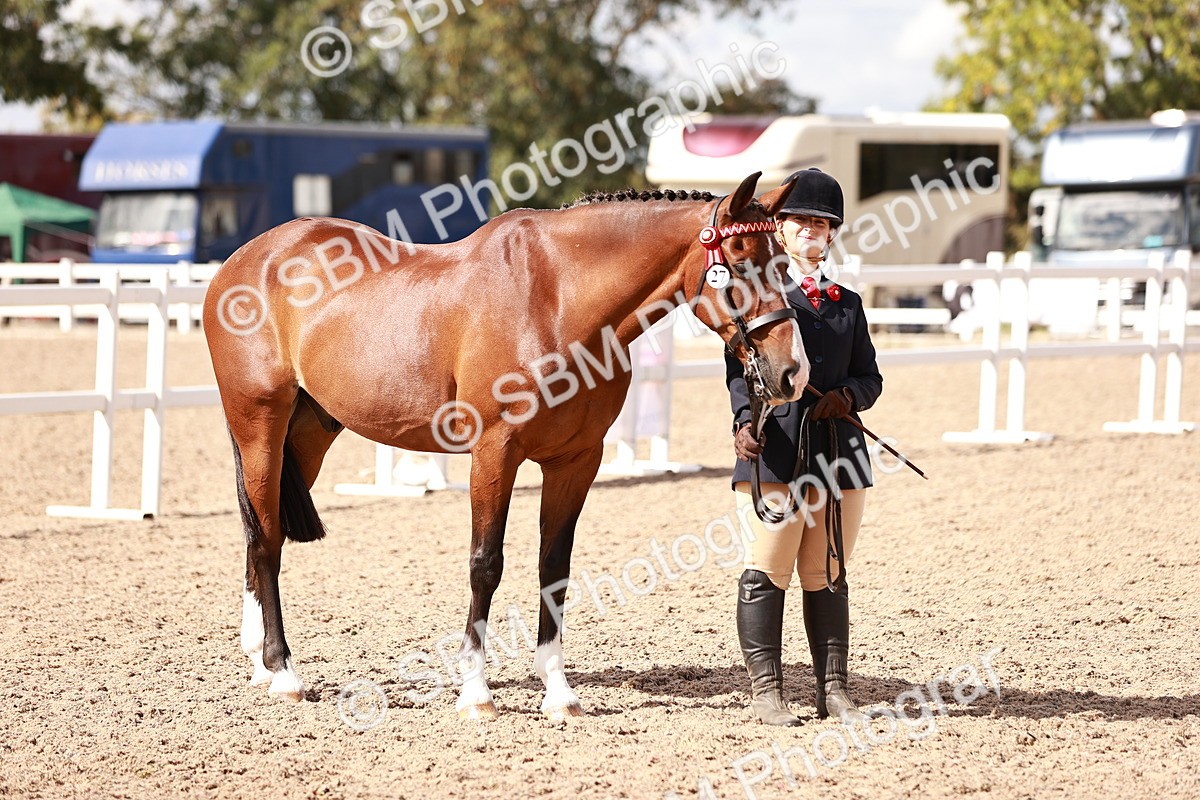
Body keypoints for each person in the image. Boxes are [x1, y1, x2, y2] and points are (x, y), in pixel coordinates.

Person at [725, 167, 883, 726]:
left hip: (838, 453)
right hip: (776, 449)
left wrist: (847, 396)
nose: (812, 231)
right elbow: (736, 370)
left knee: (828, 573)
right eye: (801, 221)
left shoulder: (848, 304)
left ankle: (833, 690)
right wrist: (744, 420)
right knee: (767, 568)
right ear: (781, 230)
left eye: (822, 223)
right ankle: (767, 690)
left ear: (832, 234)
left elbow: (872, 377)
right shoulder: (762, 298)